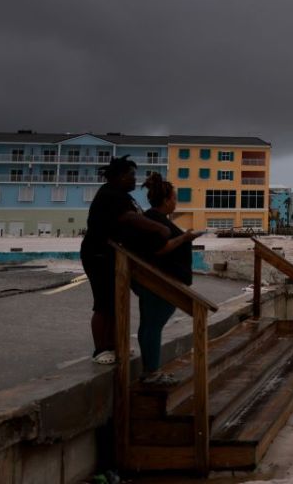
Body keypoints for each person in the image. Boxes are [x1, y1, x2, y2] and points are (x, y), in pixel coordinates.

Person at [80, 156, 170, 365]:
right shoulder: (110, 194)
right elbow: (130, 218)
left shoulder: (122, 195)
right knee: (104, 303)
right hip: (99, 255)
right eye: (131, 175)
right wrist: (159, 228)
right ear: (120, 176)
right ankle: (101, 349)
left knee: (115, 302)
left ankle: (115, 344)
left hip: (115, 257)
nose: (134, 179)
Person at [134, 173, 204, 384]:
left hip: (155, 280)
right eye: (174, 198)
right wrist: (185, 237)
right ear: (165, 201)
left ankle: (150, 370)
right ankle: (152, 373)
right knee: (153, 325)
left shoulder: (153, 219)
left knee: (148, 324)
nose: (175, 202)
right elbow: (159, 249)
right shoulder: (154, 221)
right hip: (159, 282)